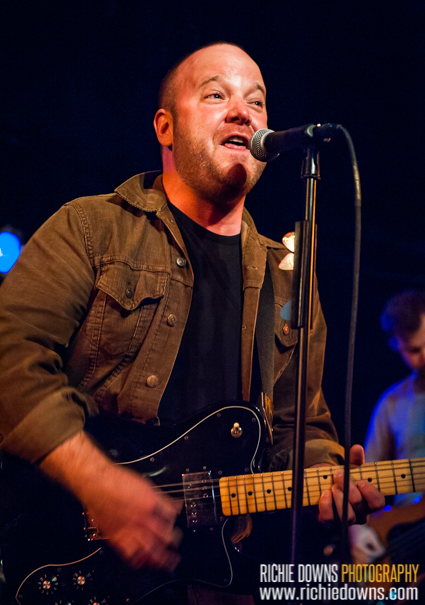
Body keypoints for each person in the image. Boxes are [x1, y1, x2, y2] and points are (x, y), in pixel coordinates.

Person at [0, 42, 383, 604]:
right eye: (216, 95)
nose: (243, 112)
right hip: (68, 555)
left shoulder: (287, 278)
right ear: (166, 127)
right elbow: (10, 356)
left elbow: (299, 424)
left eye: (256, 101)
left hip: (215, 580)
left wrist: (327, 473)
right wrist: (97, 481)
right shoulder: (92, 229)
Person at [350, 290, 425, 565]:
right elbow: (363, 480)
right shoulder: (391, 403)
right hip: (407, 540)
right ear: (396, 345)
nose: (424, 356)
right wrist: (357, 533)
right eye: (413, 350)